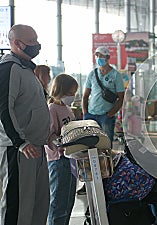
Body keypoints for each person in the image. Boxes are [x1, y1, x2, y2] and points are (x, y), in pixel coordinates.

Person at [0, 24, 50, 225]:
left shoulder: (27, 70)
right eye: (31, 41)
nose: (36, 45)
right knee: (18, 206)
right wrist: (19, 141)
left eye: (37, 40)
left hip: (36, 148)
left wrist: (46, 136)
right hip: (19, 150)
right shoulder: (8, 68)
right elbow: (3, 109)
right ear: (16, 43)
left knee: (38, 206)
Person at [79, 46, 124, 195]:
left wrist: (111, 113)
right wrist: (85, 113)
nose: (99, 58)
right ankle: (87, 182)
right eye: (97, 55)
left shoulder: (116, 75)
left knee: (105, 149)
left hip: (106, 115)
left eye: (101, 55)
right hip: (91, 115)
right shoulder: (93, 74)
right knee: (87, 149)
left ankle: (107, 180)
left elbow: (120, 97)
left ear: (108, 57)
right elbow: (85, 96)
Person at [45, 74, 78, 225]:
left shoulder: (67, 108)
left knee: (68, 200)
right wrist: (60, 143)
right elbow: (48, 135)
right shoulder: (52, 109)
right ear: (60, 91)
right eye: (70, 93)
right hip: (59, 160)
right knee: (58, 202)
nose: (72, 97)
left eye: (74, 94)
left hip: (71, 158)